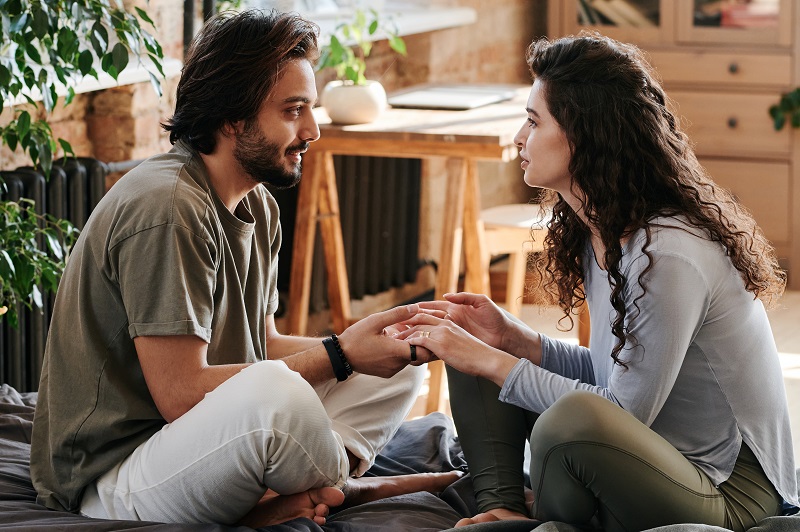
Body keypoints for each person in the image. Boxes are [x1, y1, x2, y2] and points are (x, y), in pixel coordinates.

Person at [30, 9, 459, 528]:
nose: (312, 130)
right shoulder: (168, 208)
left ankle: (307, 492)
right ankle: (347, 488)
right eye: (293, 110)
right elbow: (182, 394)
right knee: (278, 393)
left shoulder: (258, 206)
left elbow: (262, 344)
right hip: (113, 476)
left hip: (195, 442)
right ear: (232, 118)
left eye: (311, 108)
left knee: (391, 368)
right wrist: (340, 353)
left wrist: (370, 344)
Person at [400, 32, 799, 532]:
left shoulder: (668, 252)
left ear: (584, 134)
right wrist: (511, 341)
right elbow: (613, 378)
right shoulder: (603, 231)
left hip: (726, 490)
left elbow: (620, 414)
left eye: (533, 120)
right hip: (653, 458)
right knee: (476, 343)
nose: (519, 138)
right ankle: (501, 505)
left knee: (566, 419)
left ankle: (547, 519)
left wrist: (497, 361)